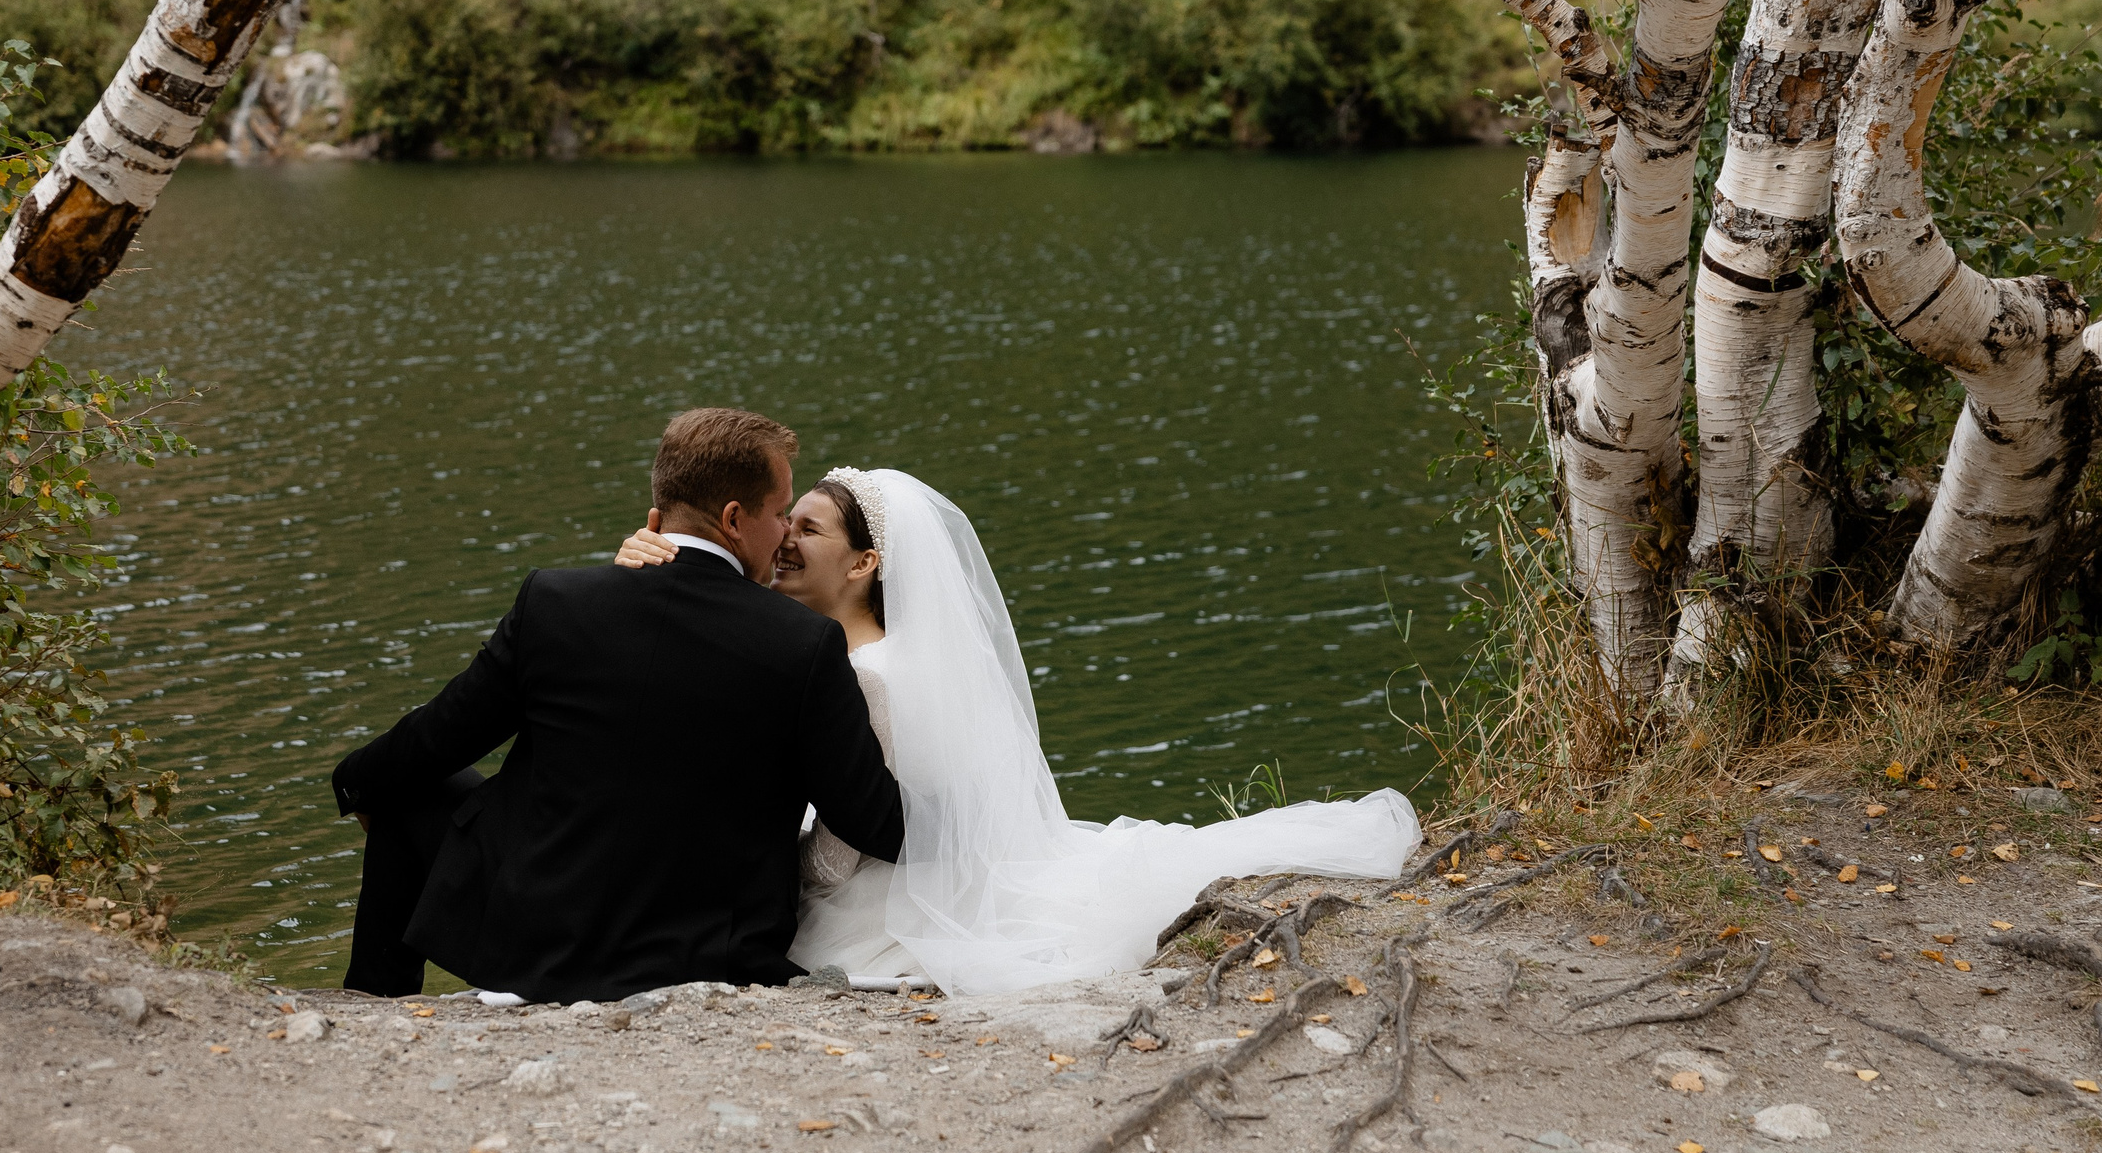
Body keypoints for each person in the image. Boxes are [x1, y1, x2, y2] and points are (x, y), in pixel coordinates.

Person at [616, 466, 1419, 997]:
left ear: (863, 566)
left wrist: (762, 871)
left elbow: (838, 857)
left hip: (876, 899)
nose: (784, 538)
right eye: (785, 522)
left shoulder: (868, 676)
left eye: (811, 531)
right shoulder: (849, 654)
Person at [331, 408, 904, 1002]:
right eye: (780, 511)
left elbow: (440, 736)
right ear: (734, 520)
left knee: (399, 778)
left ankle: (375, 1001)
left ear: (659, 513)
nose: (785, 531)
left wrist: (354, 784)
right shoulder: (802, 644)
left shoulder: (555, 602)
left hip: (538, 950)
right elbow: (873, 821)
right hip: (713, 954)